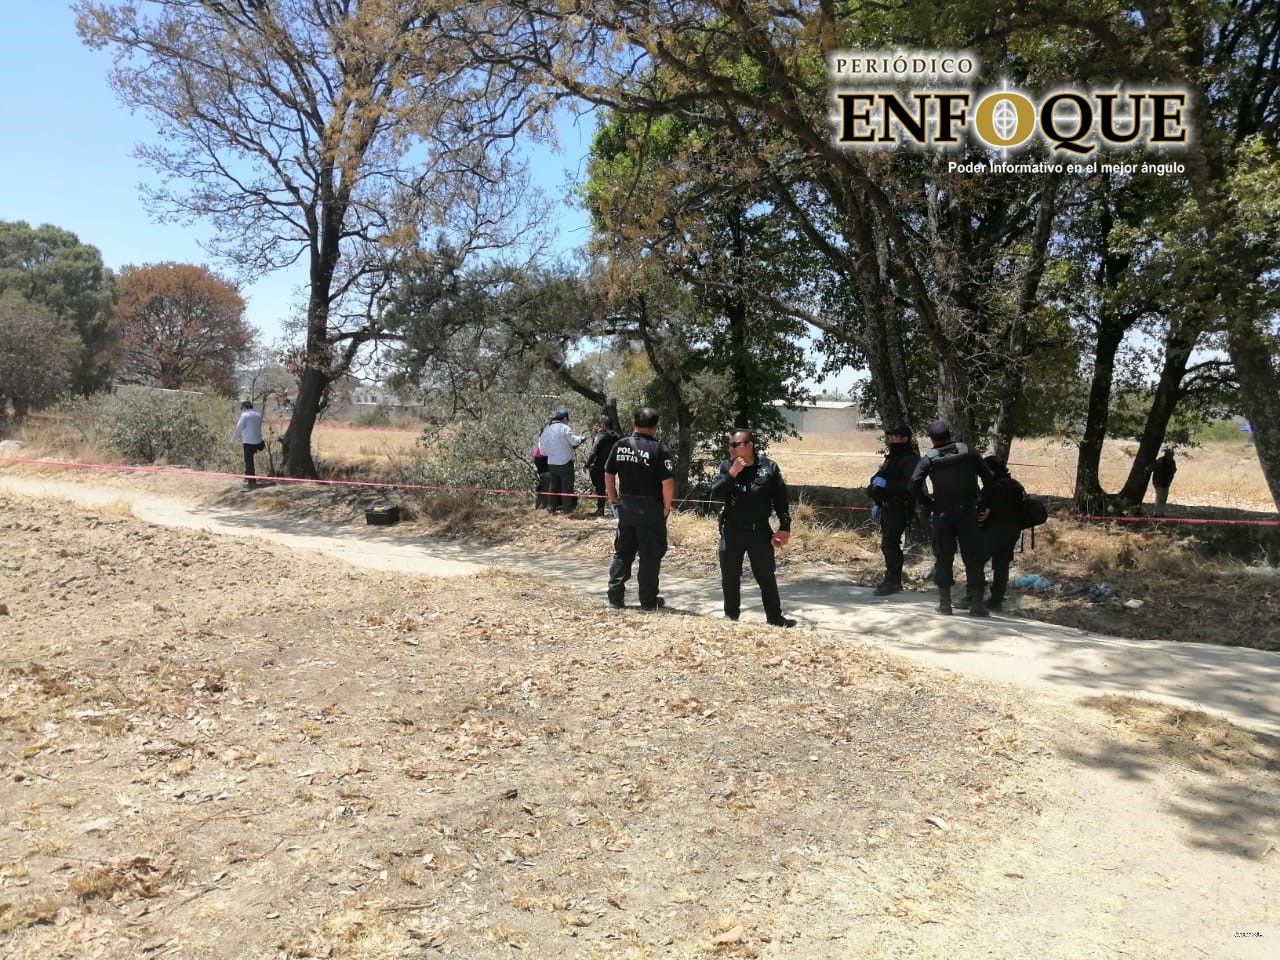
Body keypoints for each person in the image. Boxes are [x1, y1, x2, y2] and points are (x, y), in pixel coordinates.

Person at [710, 428, 797, 628]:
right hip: (732, 530)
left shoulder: (769, 467)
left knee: (766, 576)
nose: (731, 449)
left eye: (736, 445)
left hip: (760, 531)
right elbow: (716, 494)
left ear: (750, 445)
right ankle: (731, 617)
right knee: (730, 577)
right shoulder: (726, 466)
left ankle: (775, 619)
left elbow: (781, 500)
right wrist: (732, 474)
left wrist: (785, 527)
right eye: (730, 445)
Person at [910, 420, 995, 617]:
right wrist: (984, 504)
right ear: (950, 434)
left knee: (944, 557)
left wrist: (928, 504)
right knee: (973, 557)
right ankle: (977, 605)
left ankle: (945, 604)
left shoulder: (929, 458)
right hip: (968, 512)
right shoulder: (968, 452)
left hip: (942, 514)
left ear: (932, 439)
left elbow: (913, 484)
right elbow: (989, 479)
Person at [604, 407, 675, 611]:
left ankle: (615, 595)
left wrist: (613, 499)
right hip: (651, 508)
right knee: (650, 556)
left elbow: (608, 475)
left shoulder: (620, 445)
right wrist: (666, 507)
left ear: (634, 423)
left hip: (626, 507)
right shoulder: (659, 449)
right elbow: (667, 483)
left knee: (623, 552)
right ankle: (648, 601)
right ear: (655, 427)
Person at [867, 423, 921, 596]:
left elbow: (910, 485)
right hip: (887, 506)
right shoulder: (892, 458)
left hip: (900, 507)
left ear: (905, 439)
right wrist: (876, 495)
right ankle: (891, 580)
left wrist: (887, 486)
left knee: (890, 544)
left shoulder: (910, 459)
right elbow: (878, 477)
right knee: (888, 544)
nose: (891, 440)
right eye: (890, 437)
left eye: (895, 437)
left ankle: (893, 582)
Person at [972, 454, 1026, 612]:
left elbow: (981, 512)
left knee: (976, 561)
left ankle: (973, 596)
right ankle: (996, 601)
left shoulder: (991, 487)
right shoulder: (1016, 486)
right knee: (1002, 565)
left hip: (994, 530)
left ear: (990, 470)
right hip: (1013, 530)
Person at [537, 408, 584, 513]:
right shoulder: (564, 428)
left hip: (552, 463)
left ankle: (551, 509)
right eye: (568, 420)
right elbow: (574, 442)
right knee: (566, 487)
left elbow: (542, 450)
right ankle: (567, 510)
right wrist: (581, 438)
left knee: (553, 487)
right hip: (565, 463)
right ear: (565, 419)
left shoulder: (547, 429)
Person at [584, 415, 621, 516]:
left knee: (600, 488)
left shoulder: (601, 435)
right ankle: (616, 510)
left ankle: (600, 510)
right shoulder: (617, 436)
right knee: (613, 488)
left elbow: (593, 452)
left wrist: (587, 464)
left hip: (600, 467)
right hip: (614, 467)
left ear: (603, 425)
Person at [230, 400, 265, 488]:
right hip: (259, 442)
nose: (242, 410)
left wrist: (232, 440)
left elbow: (239, 428)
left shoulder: (245, 415)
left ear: (244, 407)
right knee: (249, 461)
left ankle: (251, 481)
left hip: (249, 442)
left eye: (242, 408)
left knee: (249, 462)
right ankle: (247, 476)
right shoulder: (258, 414)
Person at [1152, 448, 1177, 517]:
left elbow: (1174, 470)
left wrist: (1169, 480)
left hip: (1166, 483)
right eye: (1169, 454)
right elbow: (1154, 468)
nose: (1170, 456)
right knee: (1159, 497)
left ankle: (1161, 513)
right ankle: (1156, 514)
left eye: (1171, 455)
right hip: (1158, 482)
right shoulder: (1160, 460)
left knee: (1164, 498)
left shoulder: (1172, 462)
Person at [532, 440, 552, 510]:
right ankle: (543, 504)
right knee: (546, 480)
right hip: (542, 458)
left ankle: (541, 504)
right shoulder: (548, 436)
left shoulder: (545, 436)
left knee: (544, 480)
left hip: (538, 456)